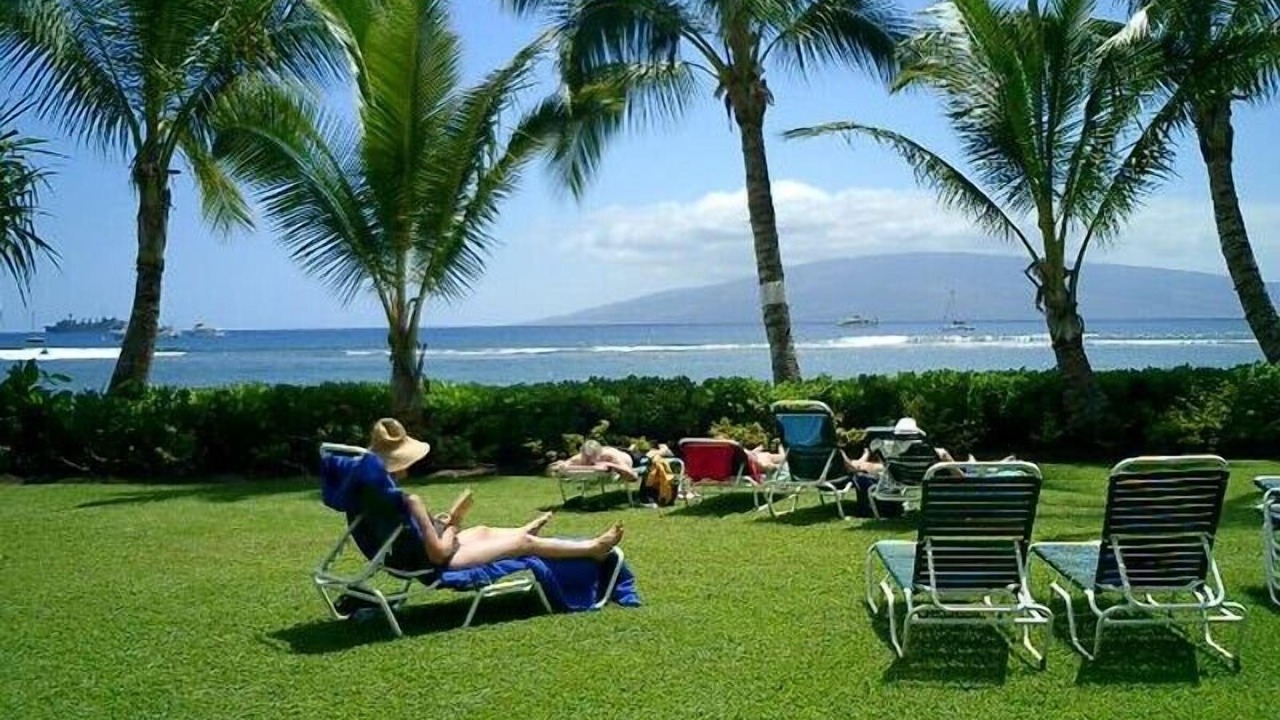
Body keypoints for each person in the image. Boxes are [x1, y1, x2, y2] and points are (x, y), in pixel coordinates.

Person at [366, 418, 623, 569]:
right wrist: (454, 523)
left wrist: (438, 526)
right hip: (430, 562)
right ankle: (592, 548)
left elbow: (408, 535)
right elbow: (438, 554)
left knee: (483, 531)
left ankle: (521, 530)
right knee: (525, 546)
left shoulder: (372, 495)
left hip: (405, 556)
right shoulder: (411, 501)